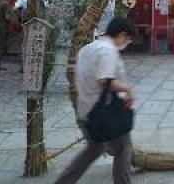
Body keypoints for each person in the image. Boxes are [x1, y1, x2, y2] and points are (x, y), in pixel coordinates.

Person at [55, 17, 135, 184]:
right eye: (127, 39)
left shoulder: (87, 48)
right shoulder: (108, 50)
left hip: (86, 109)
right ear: (121, 35)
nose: (126, 43)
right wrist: (127, 89)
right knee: (123, 149)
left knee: (93, 150)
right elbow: (104, 80)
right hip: (105, 113)